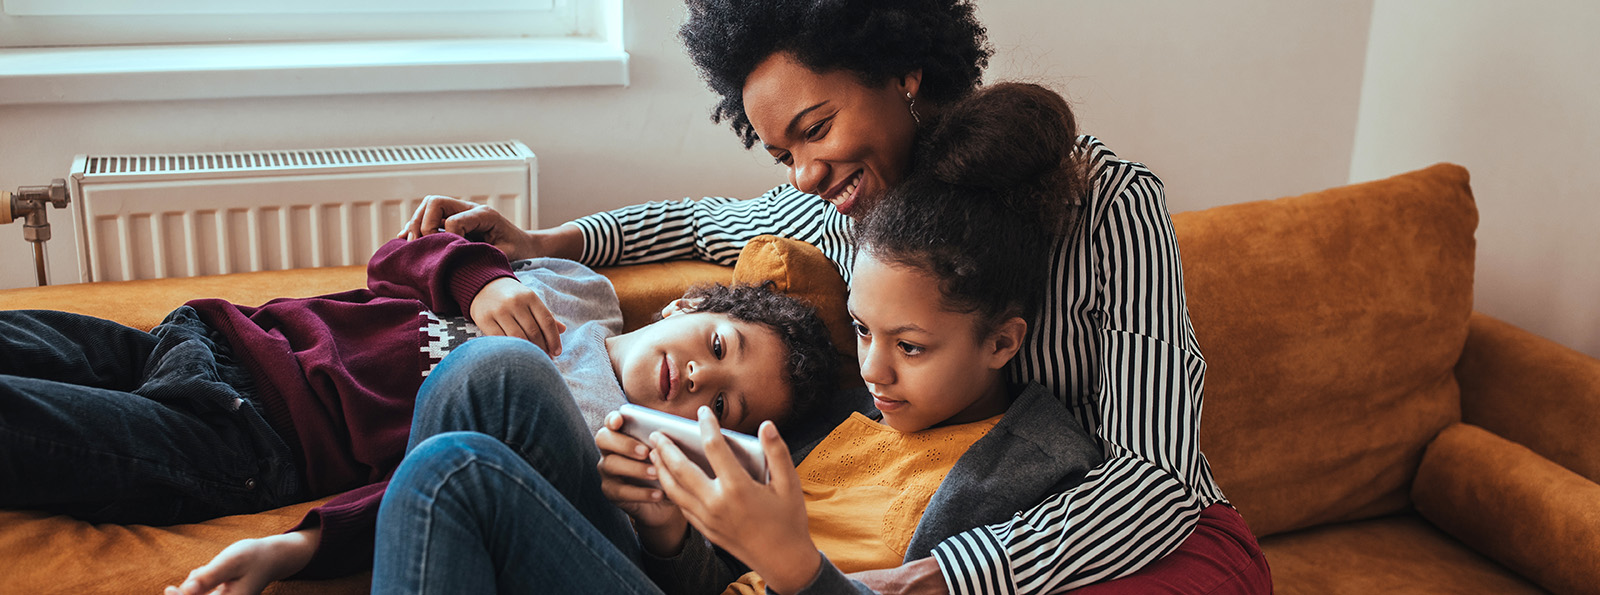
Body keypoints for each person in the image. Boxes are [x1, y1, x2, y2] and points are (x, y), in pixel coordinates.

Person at [398, 2, 1270, 593]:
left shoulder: (1106, 204)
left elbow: (1159, 477)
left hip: (1069, 541)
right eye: (784, 152)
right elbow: (708, 220)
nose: (808, 174)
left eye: (814, 129)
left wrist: (937, 576)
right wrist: (549, 242)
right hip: (854, 537)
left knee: (454, 473)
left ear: (905, 72)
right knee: (495, 375)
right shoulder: (859, 214)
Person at [0, 233, 838, 595]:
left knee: (35, 421)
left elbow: (427, 473)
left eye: (720, 406)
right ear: (686, 302)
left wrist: (302, 540)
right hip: (225, 334)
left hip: (254, 434)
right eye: (718, 345)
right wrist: (485, 278)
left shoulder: (610, 450)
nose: (695, 379)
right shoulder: (580, 294)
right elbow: (395, 258)